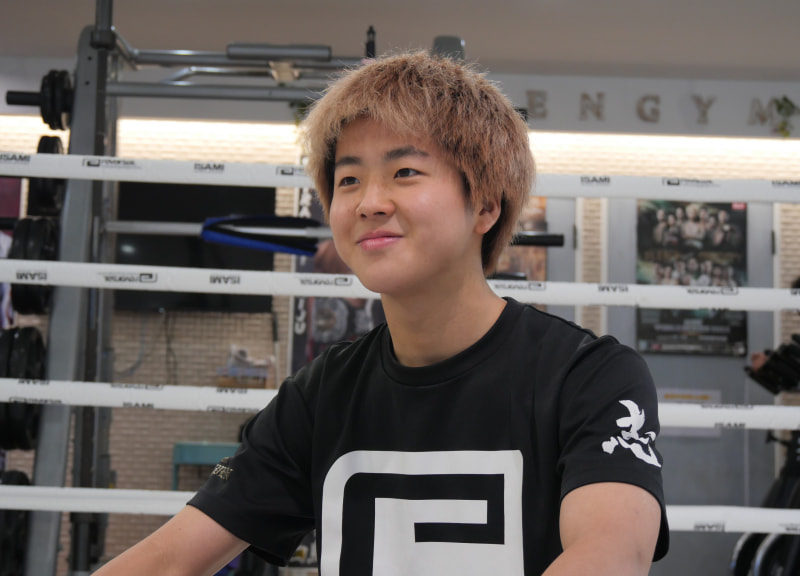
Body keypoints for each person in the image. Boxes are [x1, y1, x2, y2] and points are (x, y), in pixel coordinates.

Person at [93, 51, 668, 576]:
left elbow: (611, 554)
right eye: (349, 180)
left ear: (486, 205)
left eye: (404, 172)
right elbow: (168, 560)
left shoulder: (589, 377)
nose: (369, 202)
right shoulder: (321, 397)